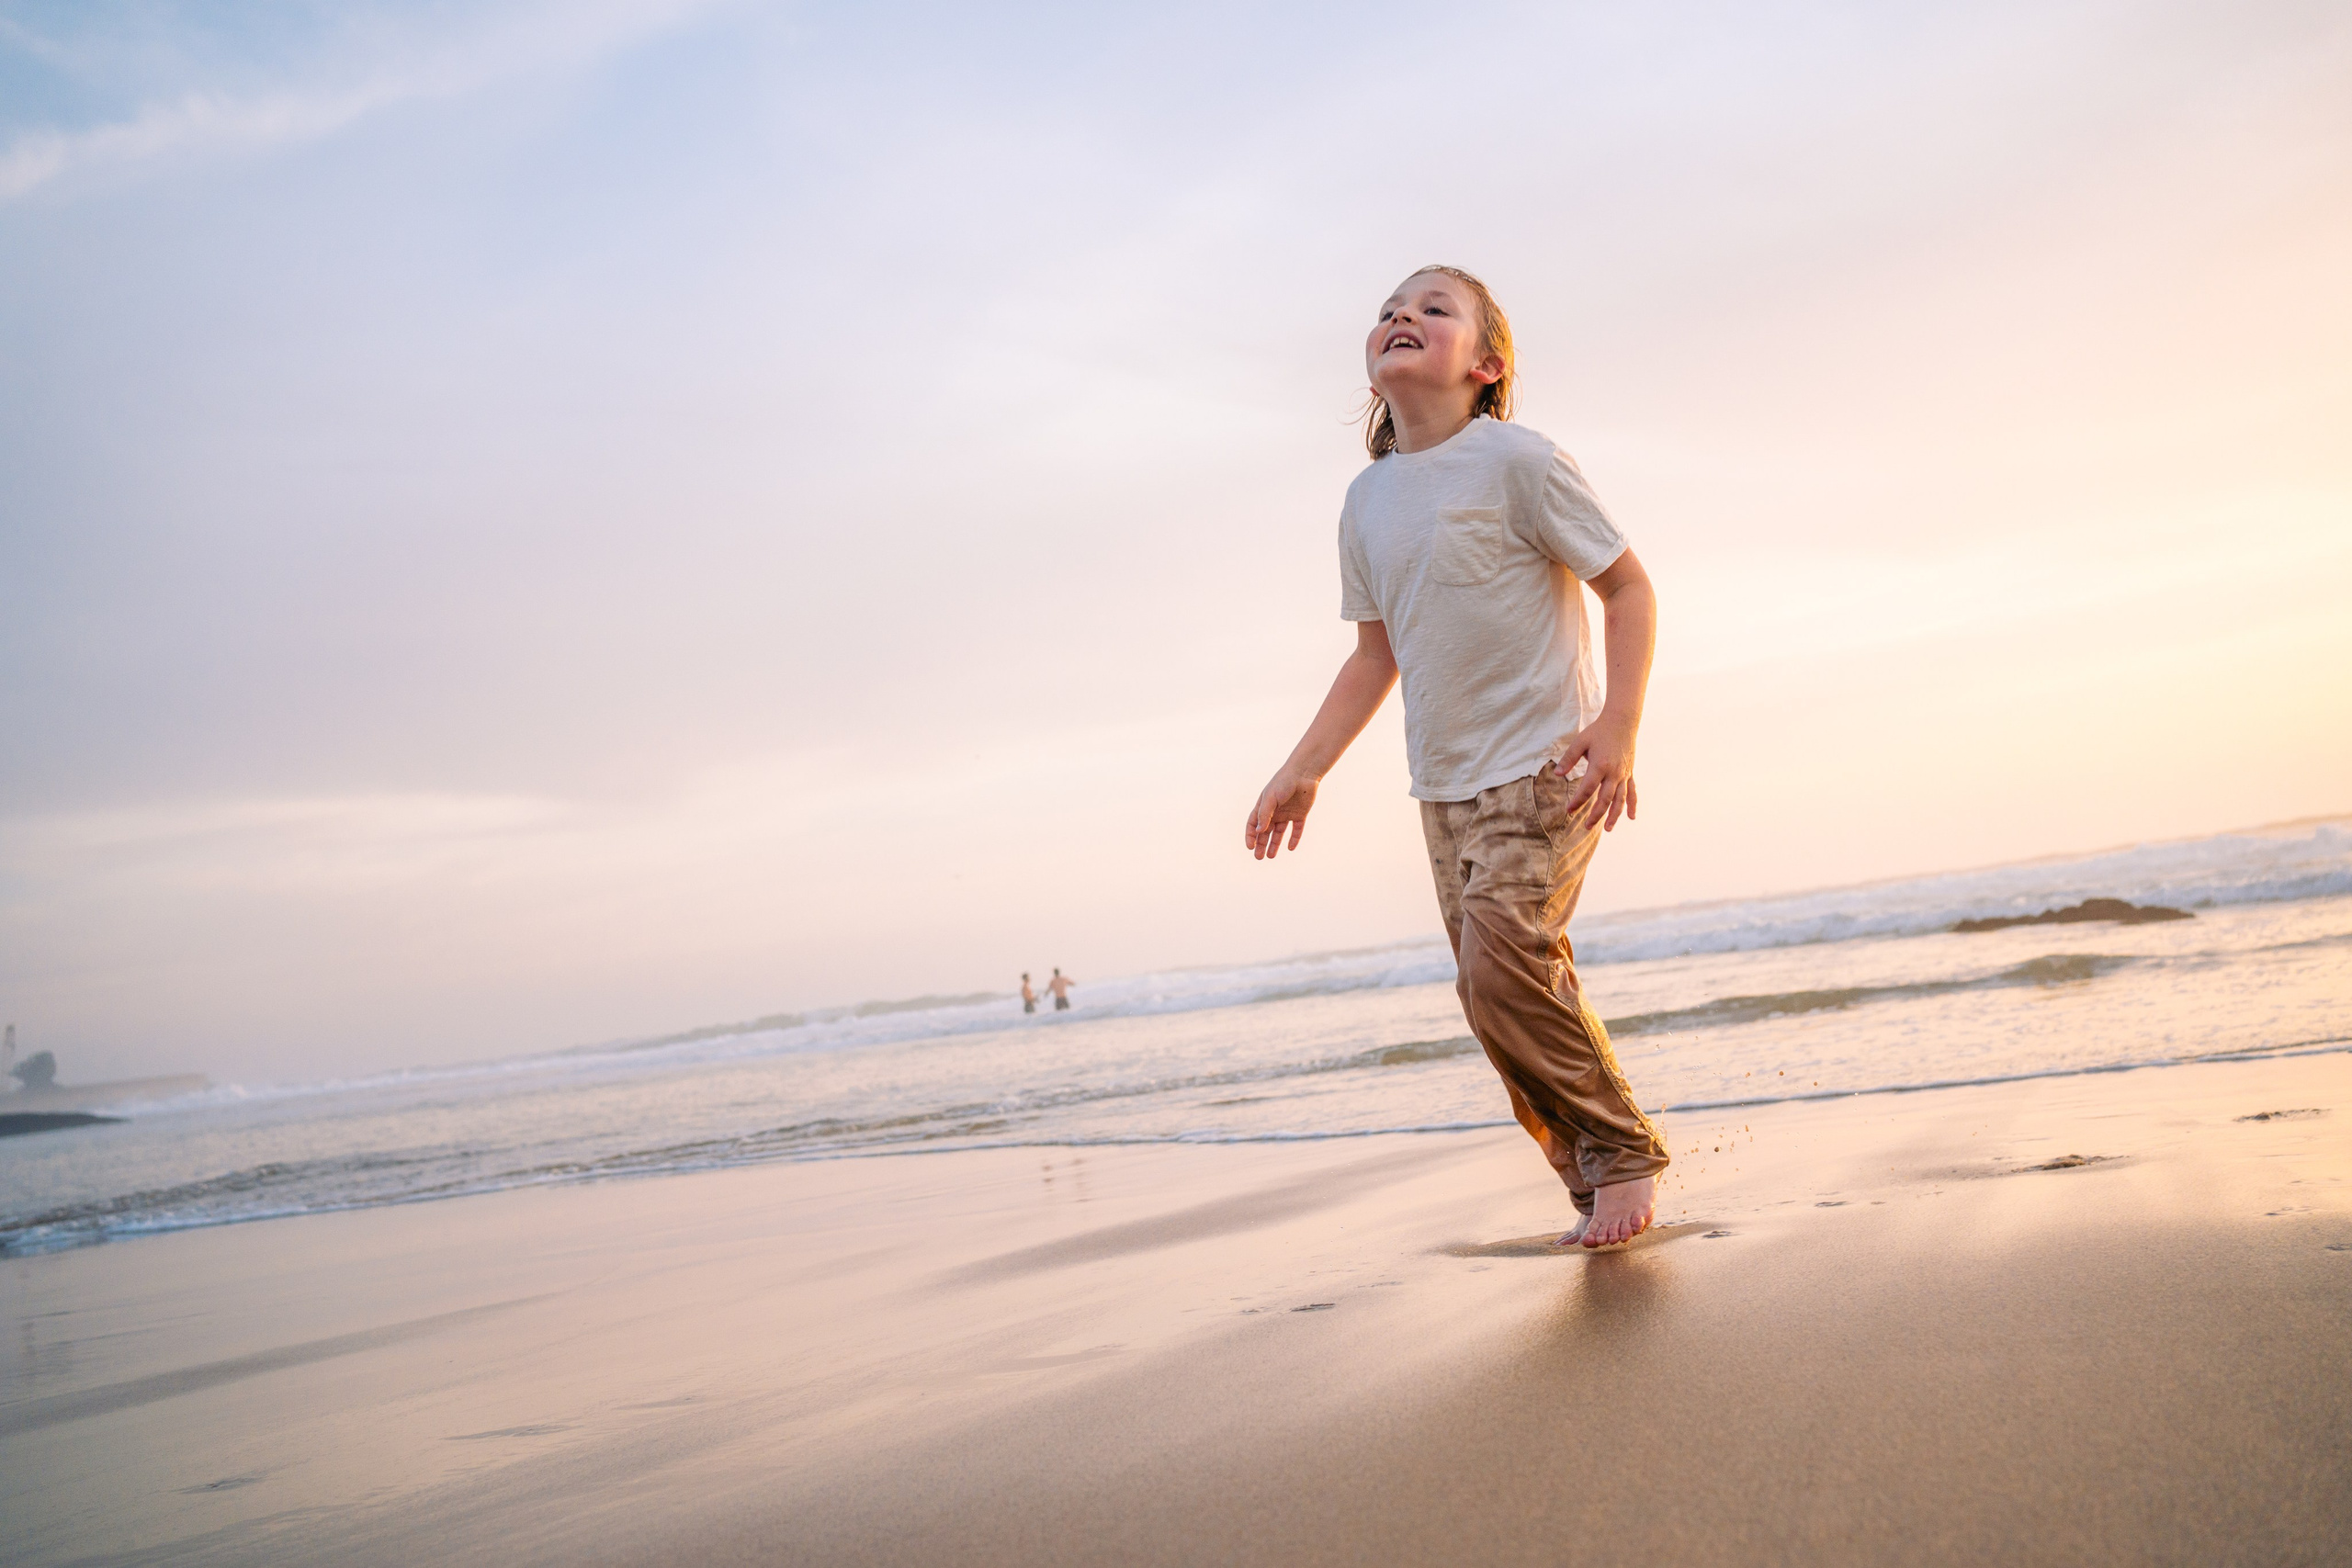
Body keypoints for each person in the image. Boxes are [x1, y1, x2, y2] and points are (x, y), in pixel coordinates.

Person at [1244, 265, 1668, 1249]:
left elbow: (1629, 590)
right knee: (1489, 993)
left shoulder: (1517, 461)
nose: (1401, 316)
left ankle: (1623, 1150)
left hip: (1545, 763)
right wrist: (1302, 767)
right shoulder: (1367, 502)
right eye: (1390, 308)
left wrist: (1619, 725)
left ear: (1486, 365)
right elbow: (1373, 655)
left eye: (1432, 309)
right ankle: (1581, 1170)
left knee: (1503, 961)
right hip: (1441, 788)